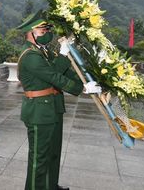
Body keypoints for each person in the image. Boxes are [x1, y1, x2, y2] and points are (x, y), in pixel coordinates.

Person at [16, 11, 101, 190]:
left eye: (48, 29)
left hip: (53, 109)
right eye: (43, 29)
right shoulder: (30, 55)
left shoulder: (44, 52)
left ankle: (50, 186)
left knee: (53, 154)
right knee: (39, 159)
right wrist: (83, 89)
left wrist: (88, 81)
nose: (47, 32)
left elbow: (65, 71)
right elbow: (54, 76)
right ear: (30, 32)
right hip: (39, 113)